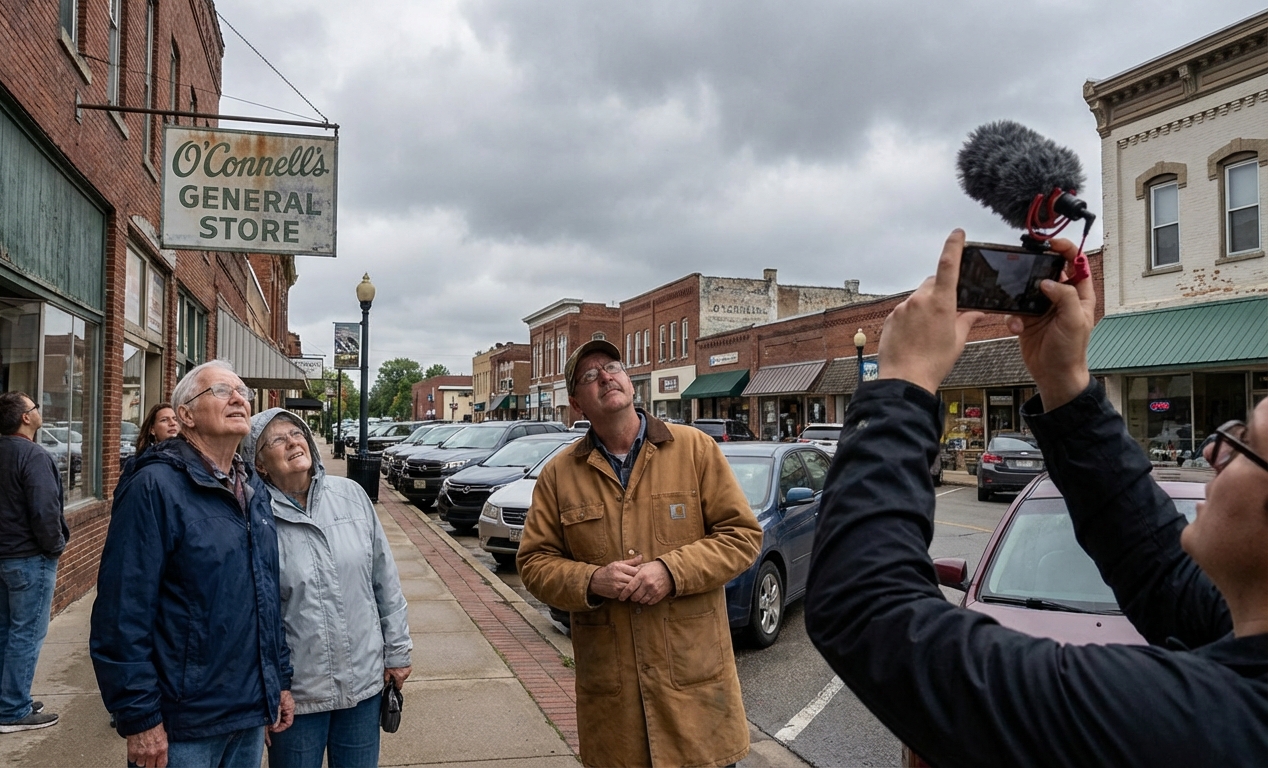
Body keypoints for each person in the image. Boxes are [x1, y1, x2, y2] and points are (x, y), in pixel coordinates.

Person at [804, 229, 1268, 766]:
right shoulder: (1236, 649)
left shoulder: (1190, 722)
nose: (1213, 454)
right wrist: (1064, 381)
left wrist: (901, 385)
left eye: (1244, 443)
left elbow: (865, 609)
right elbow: (1157, 566)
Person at [517, 339, 763, 767]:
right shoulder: (559, 475)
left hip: (696, 699)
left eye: (612, 367)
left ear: (631, 383)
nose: (605, 377)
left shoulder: (695, 449)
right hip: (615, 711)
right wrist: (593, 580)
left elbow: (741, 535)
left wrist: (671, 571)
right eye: (590, 376)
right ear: (577, 404)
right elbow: (534, 563)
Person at [91, 360, 295, 768]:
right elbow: (122, 611)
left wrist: (279, 683)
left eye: (242, 392)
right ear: (185, 415)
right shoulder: (154, 486)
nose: (239, 398)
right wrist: (140, 717)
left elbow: (266, 595)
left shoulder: (252, 490)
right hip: (183, 726)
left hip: (249, 713)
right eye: (221, 391)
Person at [241, 408, 412, 768]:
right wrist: (268, 688)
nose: (292, 442)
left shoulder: (350, 495)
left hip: (363, 684)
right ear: (259, 464)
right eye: (276, 439)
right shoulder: (252, 517)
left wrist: (397, 650)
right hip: (298, 697)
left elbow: (384, 579)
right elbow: (254, 613)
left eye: (296, 433)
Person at [0, 391, 69, 733]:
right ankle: (14, 710)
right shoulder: (33, 455)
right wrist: (54, 546)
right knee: (26, 633)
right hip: (29, 558)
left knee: (4, 630)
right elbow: (45, 510)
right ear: (26, 418)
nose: (38, 411)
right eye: (35, 407)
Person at [120, 403, 181, 479]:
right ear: (152, 429)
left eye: (175, 419)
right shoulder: (138, 464)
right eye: (164, 420)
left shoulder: (191, 456)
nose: (172, 423)